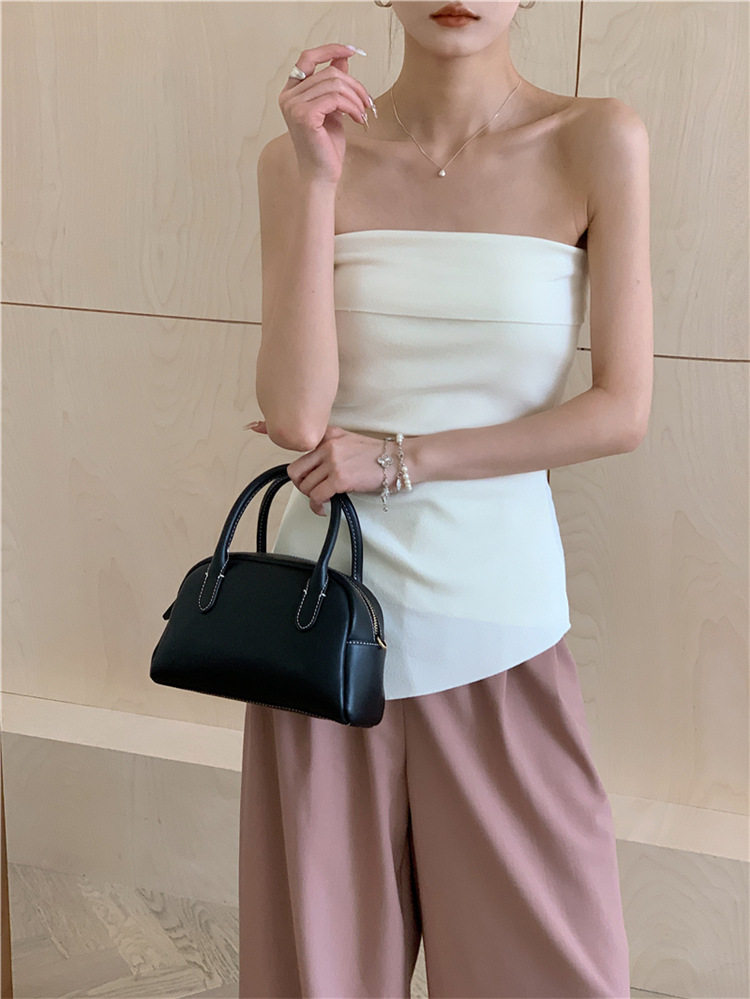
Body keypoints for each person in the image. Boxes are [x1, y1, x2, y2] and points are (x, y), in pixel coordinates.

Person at [239, 1, 653, 996]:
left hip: (500, 629)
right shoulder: (299, 159)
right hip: (323, 629)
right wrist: (315, 176)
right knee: (323, 978)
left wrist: (402, 457)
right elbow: (295, 413)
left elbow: (621, 410)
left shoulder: (597, 140)